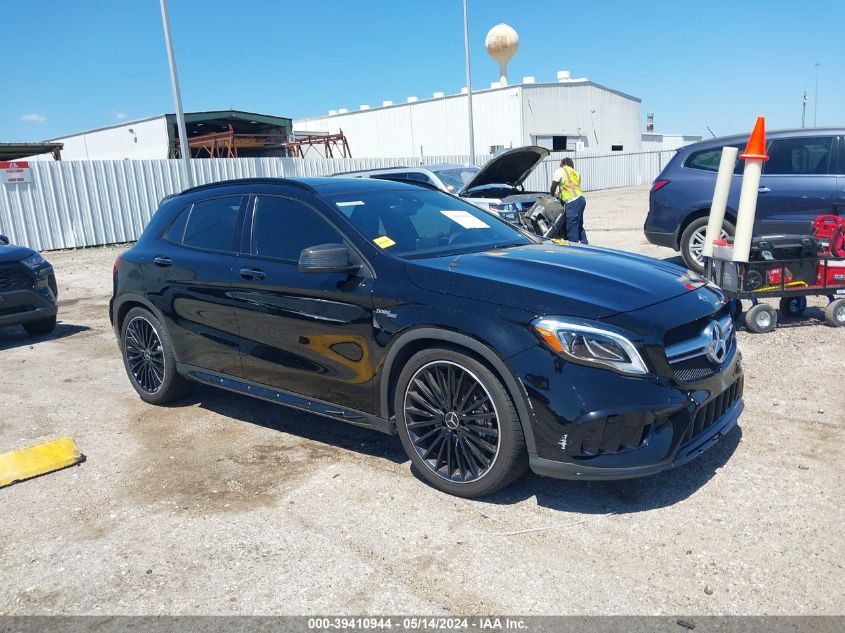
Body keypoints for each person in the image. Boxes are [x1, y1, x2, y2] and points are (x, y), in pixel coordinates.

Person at [549, 157, 588, 243]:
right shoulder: (576, 173)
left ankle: (573, 248)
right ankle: (585, 245)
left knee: (571, 225)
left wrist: (552, 193)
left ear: (562, 163)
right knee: (579, 225)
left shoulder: (560, 171)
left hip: (572, 201)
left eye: (560, 164)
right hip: (581, 200)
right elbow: (569, 187)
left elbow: (553, 185)